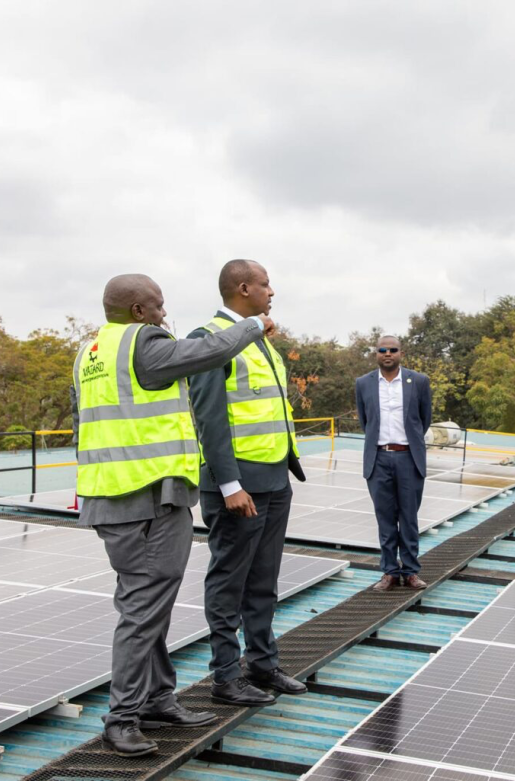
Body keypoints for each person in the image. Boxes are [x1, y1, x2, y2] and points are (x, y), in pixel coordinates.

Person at [73, 273, 273, 757]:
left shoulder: (91, 352)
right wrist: (254, 326)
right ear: (138, 311)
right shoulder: (145, 344)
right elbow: (205, 352)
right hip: (148, 496)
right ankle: (123, 718)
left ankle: (158, 698)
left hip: (111, 495)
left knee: (147, 603)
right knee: (142, 610)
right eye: (158, 306)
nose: (164, 314)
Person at [188, 259, 308, 707]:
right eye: (265, 284)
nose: (271, 291)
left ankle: (262, 663)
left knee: (264, 580)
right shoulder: (207, 341)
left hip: (274, 477)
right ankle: (225, 676)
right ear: (243, 289)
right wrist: (229, 485)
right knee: (229, 582)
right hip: (238, 487)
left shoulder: (259, 341)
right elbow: (209, 419)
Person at [355, 335, 433, 592]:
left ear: (401, 353)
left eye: (392, 350)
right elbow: (365, 421)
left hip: (408, 458)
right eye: (382, 350)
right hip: (378, 459)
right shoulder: (363, 383)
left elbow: (424, 420)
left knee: (409, 518)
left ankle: (410, 572)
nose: (387, 353)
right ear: (376, 353)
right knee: (385, 518)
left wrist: (407, 445)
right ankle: (389, 571)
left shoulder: (418, 381)